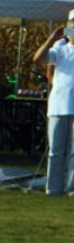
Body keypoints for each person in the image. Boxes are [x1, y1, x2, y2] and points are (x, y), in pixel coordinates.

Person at [33, 19, 74, 196]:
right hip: (58, 106)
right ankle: (53, 188)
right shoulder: (60, 48)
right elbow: (38, 59)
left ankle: (72, 188)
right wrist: (52, 37)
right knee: (56, 151)